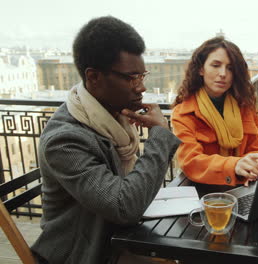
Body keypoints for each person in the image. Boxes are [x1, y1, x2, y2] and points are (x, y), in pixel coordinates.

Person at [31, 16, 180, 264]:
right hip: (81, 254)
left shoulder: (113, 118)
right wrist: (160, 135)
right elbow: (124, 206)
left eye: (143, 75)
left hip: (117, 239)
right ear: (94, 77)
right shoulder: (64, 141)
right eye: (132, 77)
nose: (141, 87)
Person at [171, 37, 258, 187]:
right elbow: (190, 161)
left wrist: (254, 166)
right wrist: (234, 166)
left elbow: (256, 149)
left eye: (230, 68)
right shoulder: (183, 113)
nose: (223, 73)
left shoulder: (245, 106)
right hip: (204, 191)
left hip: (244, 185)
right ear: (201, 69)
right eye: (216, 65)